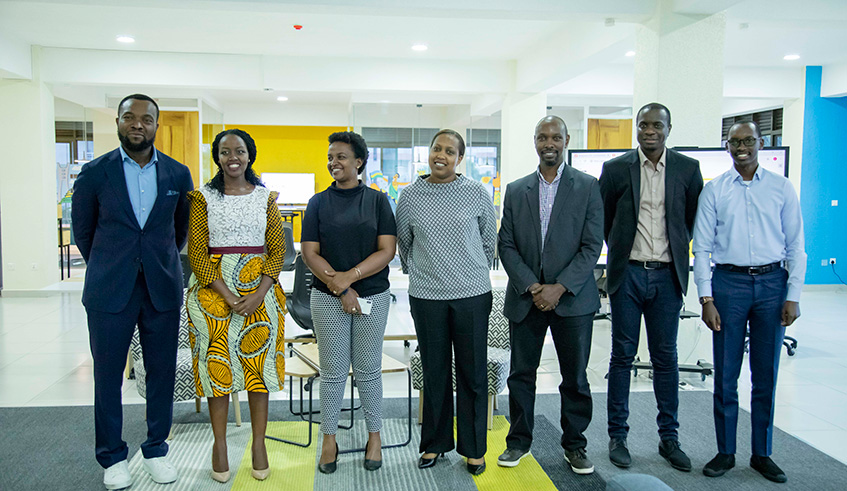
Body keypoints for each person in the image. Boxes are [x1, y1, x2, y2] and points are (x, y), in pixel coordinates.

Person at [72, 93, 193, 489]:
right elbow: (84, 234)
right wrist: (112, 265)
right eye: (129, 117)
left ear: (157, 125)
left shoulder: (177, 174)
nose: (137, 124)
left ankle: (156, 448)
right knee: (107, 377)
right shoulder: (94, 173)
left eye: (145, 118)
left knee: (160, 374)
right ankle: (112, 457)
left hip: (160, 288)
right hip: (109, 291)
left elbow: (180, 232)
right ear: (119, 122)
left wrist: (154, 260)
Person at [693, 121, 805, 483]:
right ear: (727, 146)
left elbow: (796, 246)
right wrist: (706, 297)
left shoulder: (781, 188)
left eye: (748, 141)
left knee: (765, 374)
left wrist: (794, 296)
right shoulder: (715, 192)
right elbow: (703, 248)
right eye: (735, 142)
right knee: (725, 375)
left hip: (773, 284)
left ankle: (762, 453)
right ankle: (725, 451)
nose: (742, 147)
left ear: (761, 143)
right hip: (728, 285)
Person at [496, 116, 603, 475]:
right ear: (535, 142)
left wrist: (559, 287)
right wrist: (532, 286)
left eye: (556, 137)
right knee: (521, 374)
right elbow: (506, 245)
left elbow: (592, 247)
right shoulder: (516, 189)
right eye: (542, 137)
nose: (549, 143)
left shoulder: (587, 186)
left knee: (575, 377)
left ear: (566, 140)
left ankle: (575, 445)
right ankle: (518, 442)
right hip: (527, 298)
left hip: (572, 300)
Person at [599, 102, 702, 472]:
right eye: (643, 125)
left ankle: (669, 438)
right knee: (621, 356)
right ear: (636, 129)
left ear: (669, 129)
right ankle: (618, 436)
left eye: (657, 125)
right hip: (627, 275)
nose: (649, 131)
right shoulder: (614, 170)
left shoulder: (688, 170)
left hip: (666, 276)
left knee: (666, 358)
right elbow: (605, 221)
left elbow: (689, 221)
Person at [185, 129, 286, 483]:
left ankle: (259, 444)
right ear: (217, 156)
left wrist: (259, 293)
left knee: (257, 369)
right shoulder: (202, 198)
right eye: (225, 151)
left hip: (260, 293)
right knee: (218, 370)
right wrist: (228, 296)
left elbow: (278, 251)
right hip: (212, 295)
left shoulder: (265, 197)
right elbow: (197, 253)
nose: (233, 157)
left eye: (239, 151)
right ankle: (220, 445)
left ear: (250, 155)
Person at [396, 129, 496, 475]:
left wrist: (467, 270)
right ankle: (435, 444)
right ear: (429, 152)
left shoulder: (476, 193)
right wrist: (426, 271)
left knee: (472, 374)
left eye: (450, 151)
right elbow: (404, 245)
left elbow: (488, 241)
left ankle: (474, 448)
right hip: (427, 296)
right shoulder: (409, 196)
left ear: (459, 158)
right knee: (435, 372)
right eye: (437, 148)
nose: (442, 155)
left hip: (471, 294)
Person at [301, 131, 397, 474]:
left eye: (341, 156)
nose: (333, 162)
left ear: (358, 162)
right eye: (330, 157)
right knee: (333, 372)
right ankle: (329, 439)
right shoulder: (317, 203)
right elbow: (309, 252)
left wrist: (350, 277)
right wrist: (340, 287)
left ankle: (375, 437)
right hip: (327, 298)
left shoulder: (378, 201)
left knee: (369, 369)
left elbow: (387, 250)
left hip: (373, 294)